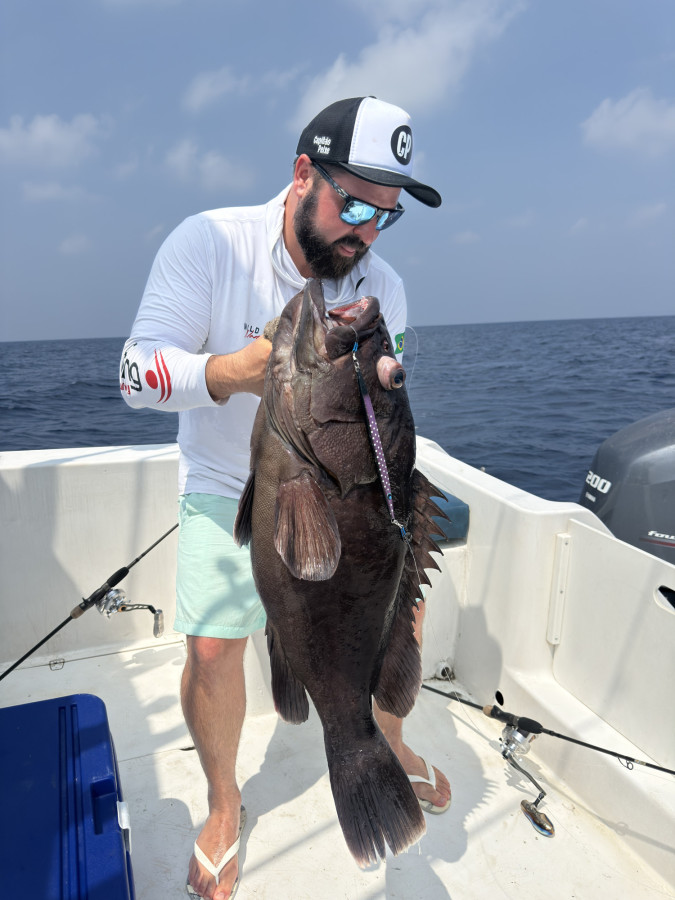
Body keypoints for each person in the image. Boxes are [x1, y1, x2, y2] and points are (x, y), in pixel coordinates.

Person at [120, 96, 451, 900]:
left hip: (343, 493)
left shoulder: (383, 285)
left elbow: (384, 420)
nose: (367, 234)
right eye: (355, 205)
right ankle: (223, 803)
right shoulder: (209, 242)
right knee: (211, 647)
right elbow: (134, 374)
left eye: (387, 215)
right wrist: (232, 374)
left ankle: (381, 736)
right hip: (225, 481)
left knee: (396, 609)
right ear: (303, 174)